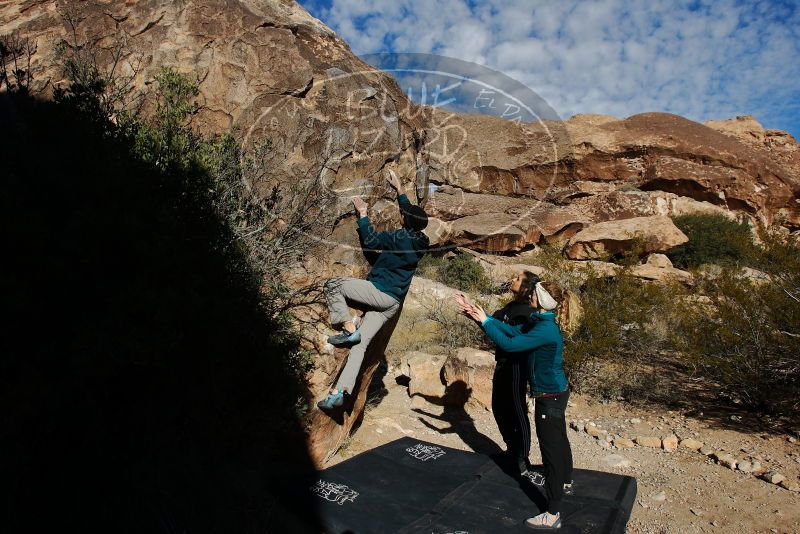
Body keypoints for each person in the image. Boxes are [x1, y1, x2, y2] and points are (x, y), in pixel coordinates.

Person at [455, 281, 573, 531]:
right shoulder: (541, 321)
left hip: (549, 396)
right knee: (559, 440)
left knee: (550, 450)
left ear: (540, 300)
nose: (529, 294)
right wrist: (483, 317)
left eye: (534, 293)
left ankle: (553, 514)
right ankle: (566, 480)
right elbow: (516, 333)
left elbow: (510, 345)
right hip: (555, 392)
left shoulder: (546, 330)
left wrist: (486, 323)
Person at [318, 171, 429, 411]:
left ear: (405, 221)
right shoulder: (422, 241)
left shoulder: (399, 238)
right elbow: (410, 213)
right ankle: (338, 393)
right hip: (393, 304)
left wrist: (363, 214)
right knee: (360, 346)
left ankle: (349, 329)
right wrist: (399, 189)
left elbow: (372, 241)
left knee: (333, 284)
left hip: (380, 292)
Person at [490, 271, 541, 476]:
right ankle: (511, 449)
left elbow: (513, 338)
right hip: (501, 363)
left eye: (518, 279)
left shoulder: (527, 313)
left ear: (527, 287)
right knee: (498, 407)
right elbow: (490, 324)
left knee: (516, 409)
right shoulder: (510, 308)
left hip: (516, 365)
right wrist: (474, 312)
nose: (513, 280)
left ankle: (522, 456)